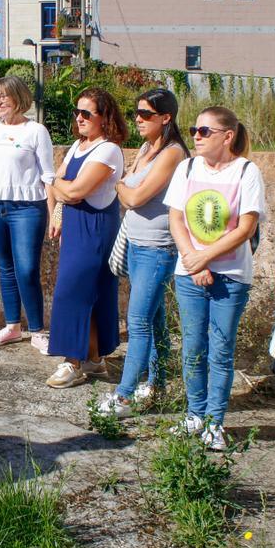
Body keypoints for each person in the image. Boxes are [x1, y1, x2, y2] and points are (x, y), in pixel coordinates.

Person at [165, 106, 266, 450]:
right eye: (194, 130)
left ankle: (214, 422)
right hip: (189, 272)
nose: (196, 136)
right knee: (192, 346)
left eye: (205, 131)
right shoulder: (187, 167)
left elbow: (246, 227)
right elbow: (176, 219)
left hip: (231, 275)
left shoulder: (246, 172)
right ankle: (194, 414)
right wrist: (194, 262)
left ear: (228, 136)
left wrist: (205, 257)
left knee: (220, 350)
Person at [96, 89, 187, 415]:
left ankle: (124, 396)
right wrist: (125, 188)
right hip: (136, 243)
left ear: (166, 117)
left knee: (137, 322)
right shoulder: (148, 148)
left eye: (146, 114)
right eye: (136, 112)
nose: (138, 119)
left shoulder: (173, 153)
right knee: (154, 319)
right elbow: (128, 189)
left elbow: (133, 197)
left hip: (157, 248)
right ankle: (158, 384)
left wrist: (122, 186)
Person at [45, 87, 127, 389]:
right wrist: (62, 187)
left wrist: (62, 185)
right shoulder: (79, 145)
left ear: (104, 117)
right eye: (76, 112)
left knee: (72, 292)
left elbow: (75, 190)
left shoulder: (108, 150)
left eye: (86, 113)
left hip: (95, 228)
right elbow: (58, 183)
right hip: (76, 225)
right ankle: (93, 358)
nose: (78, 118)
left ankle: (72, 361)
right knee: (87, 294)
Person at [0, 76, 55, 350]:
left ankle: (38, 331)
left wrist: (54, 215)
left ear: (19, 97)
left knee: (27, 270)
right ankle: (12, 326)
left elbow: (48, 175)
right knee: (6, 269)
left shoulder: (36, 130)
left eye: (3, 96)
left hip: (27, 209)